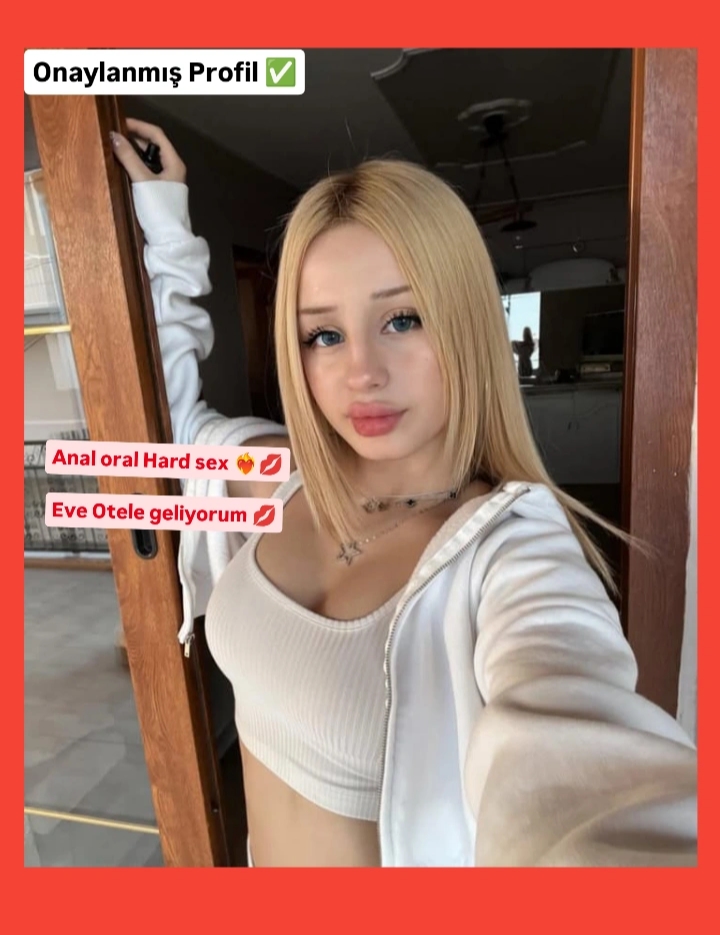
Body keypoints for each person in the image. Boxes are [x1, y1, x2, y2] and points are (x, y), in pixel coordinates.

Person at [111, 119, 697, 868]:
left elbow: (585, 774)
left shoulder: (512, 555)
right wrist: (166, 220)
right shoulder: (283, 474)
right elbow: (168, 418)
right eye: (323, 335)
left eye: (402, 319)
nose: (362, 372)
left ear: (467, 325)